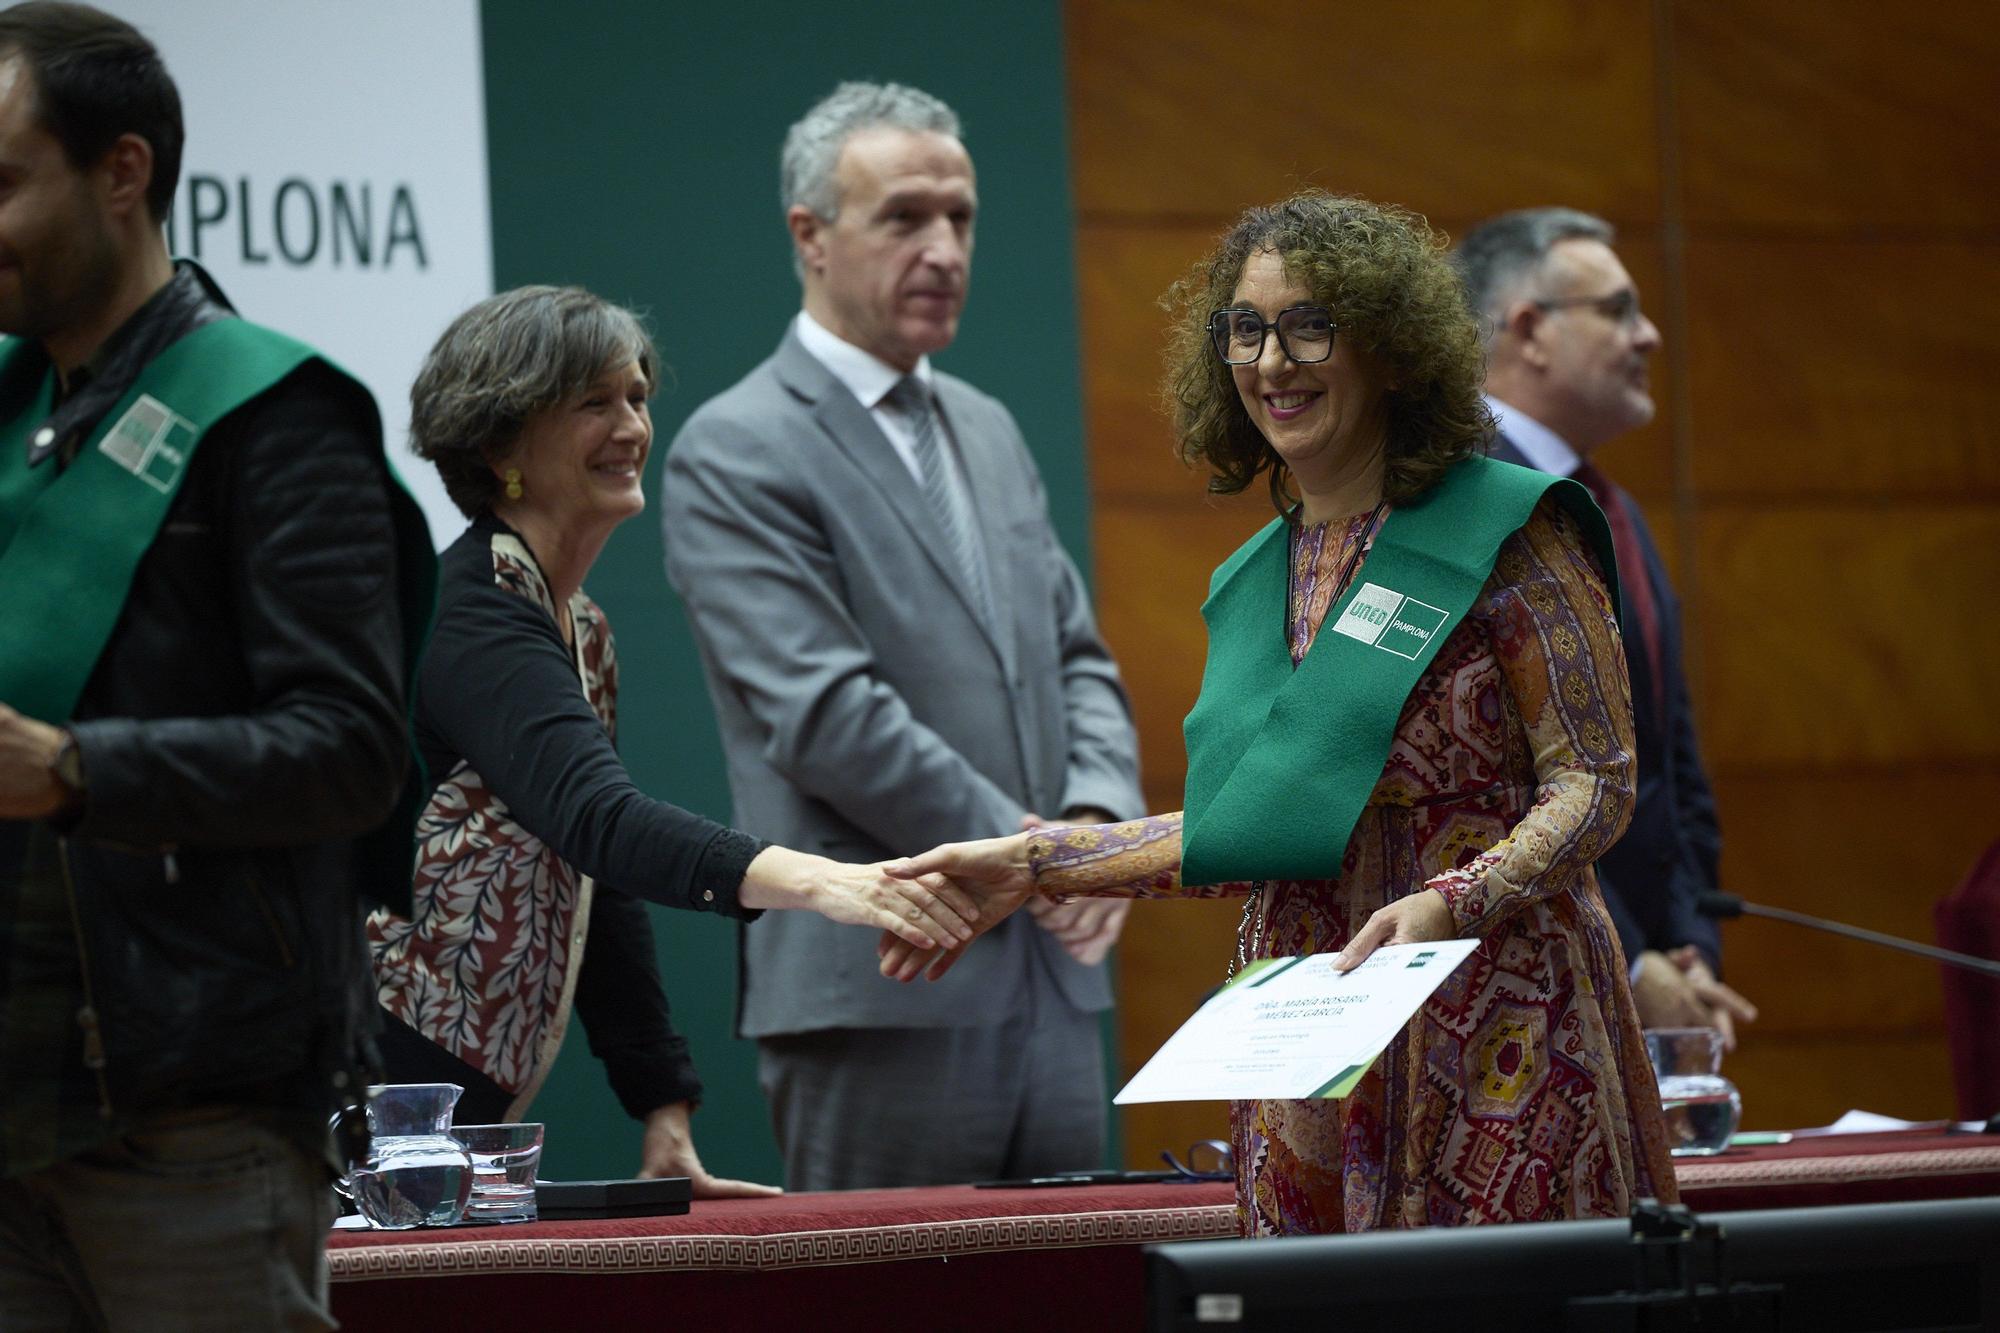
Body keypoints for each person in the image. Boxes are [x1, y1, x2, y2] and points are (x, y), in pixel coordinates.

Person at [884, 191, 1677, 1233]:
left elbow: (1595, 783)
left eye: (1309, 326)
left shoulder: (1505, 528)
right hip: (1313, 1043)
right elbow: (1251, 830)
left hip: (1499, 1035)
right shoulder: (1257, 573)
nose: (1270, 363)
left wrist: (1456, 898)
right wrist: (1030, 864)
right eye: (1245, 330)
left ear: (1389, 350)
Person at [0, 4, 434, 1326]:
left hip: (193, 1114)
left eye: (3, 182)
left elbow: (353, 749)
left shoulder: (277, 418)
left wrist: (77, 770)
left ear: (121, 172)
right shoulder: (16, 415)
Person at [367, 285, 980, 1195]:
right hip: (370, 1091)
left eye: (637, 397)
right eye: (593, 404)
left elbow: (593, 881)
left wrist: (664, 1113)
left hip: (450, 1106)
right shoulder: (472, 613)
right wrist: (833, 883)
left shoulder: (579, 625)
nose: (631, 426)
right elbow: (602, 822)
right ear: (501, 447)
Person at [661, 81, 1143, 1191]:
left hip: (1056, 980)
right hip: (882, 990)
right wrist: (1042, 861)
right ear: (810, 236)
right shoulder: (735, 447)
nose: (942, 248)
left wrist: (1094, 833)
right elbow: (827, 717)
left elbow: (1077, 658)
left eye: (960, 219)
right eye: (904, 219)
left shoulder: (986, 425)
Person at [1452, 207, 1757, 1048]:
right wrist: (1627, 958)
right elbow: (1494, 776)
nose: (1650, 334)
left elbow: (1666, 755)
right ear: (1530, 330)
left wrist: (1688, 943)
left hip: (1644, 996)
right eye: (1618, 309)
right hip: (1525, 1005)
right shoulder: (1463, 505)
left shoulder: (1609, 506)